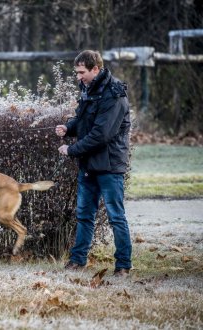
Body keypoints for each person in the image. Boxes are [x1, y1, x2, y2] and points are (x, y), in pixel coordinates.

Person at [55, 50, 132, 277]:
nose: (78, 77)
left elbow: (101, 134)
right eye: (76, 72)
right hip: (89, 164)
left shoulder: (114, 94)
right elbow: (84, 120)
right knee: (84, 214)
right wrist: (68, 127)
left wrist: (71, 150)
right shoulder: (88, 88)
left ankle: (124, 265)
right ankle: (78, 260)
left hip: (109, 166)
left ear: (95, 69)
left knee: (115, 216)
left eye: (82, 72)